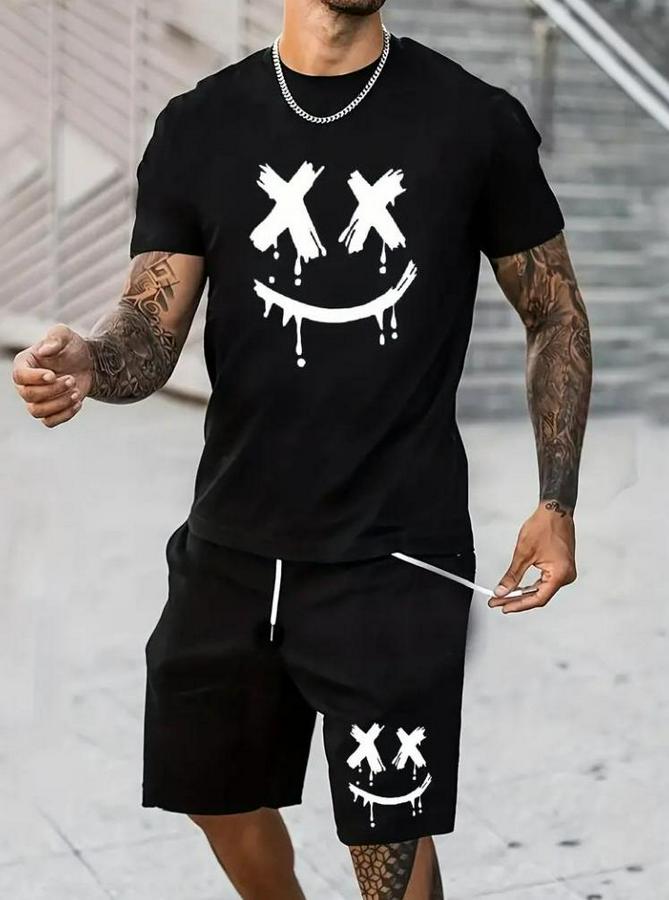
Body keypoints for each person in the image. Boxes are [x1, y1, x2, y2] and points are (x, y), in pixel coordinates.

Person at [12, 0, 592, 896]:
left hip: (393, 553)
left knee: (385, 834)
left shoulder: (473, 120)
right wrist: (91, 359)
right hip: (231, 544)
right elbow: (149, 326)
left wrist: (556, 501)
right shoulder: (200, 123)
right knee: (213, 794)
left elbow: (553, 312)